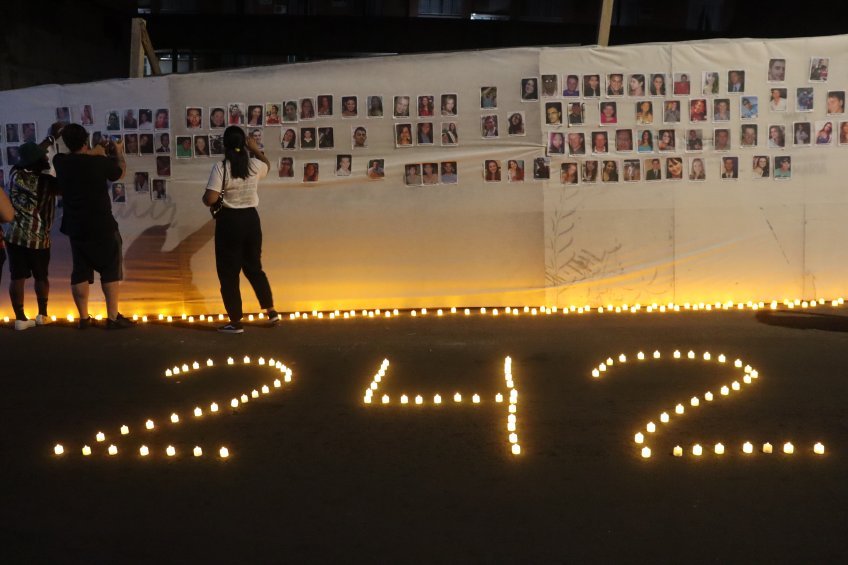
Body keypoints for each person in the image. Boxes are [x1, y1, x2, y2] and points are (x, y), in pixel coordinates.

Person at [53, 124, 133, 329]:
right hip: (101, 224)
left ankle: (84, 319)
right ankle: (112, 318)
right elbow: (119, 173)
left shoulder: (60, 161)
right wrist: (118, 152)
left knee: (80, 270)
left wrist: (96, 151)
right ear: (85, 140)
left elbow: (77, 158)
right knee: (110, 270)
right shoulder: (99, 162)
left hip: (75, 225)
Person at [201, 126, 278, 333]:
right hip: (251, 220)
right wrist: (255, 149)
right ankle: (271, 311)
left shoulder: (221, 167)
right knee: (254, 267)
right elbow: (267, 165)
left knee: (229, 273)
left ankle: (235, 322)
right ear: (244, 143)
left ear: (224, 144)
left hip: (229, 222)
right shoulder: (254, 164)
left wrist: (206, 198)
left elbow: (210, 199)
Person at [4, 136, 60, 330]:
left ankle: (20, 318)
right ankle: (42, 315)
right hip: (38, 238)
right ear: (38, 162)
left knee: (17, 277)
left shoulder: (14, 174)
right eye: (44, 156)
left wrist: (49, 139)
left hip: (14, 236)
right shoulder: (46, 182)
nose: (46, 157)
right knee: (41, 277)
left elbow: (31, 156)